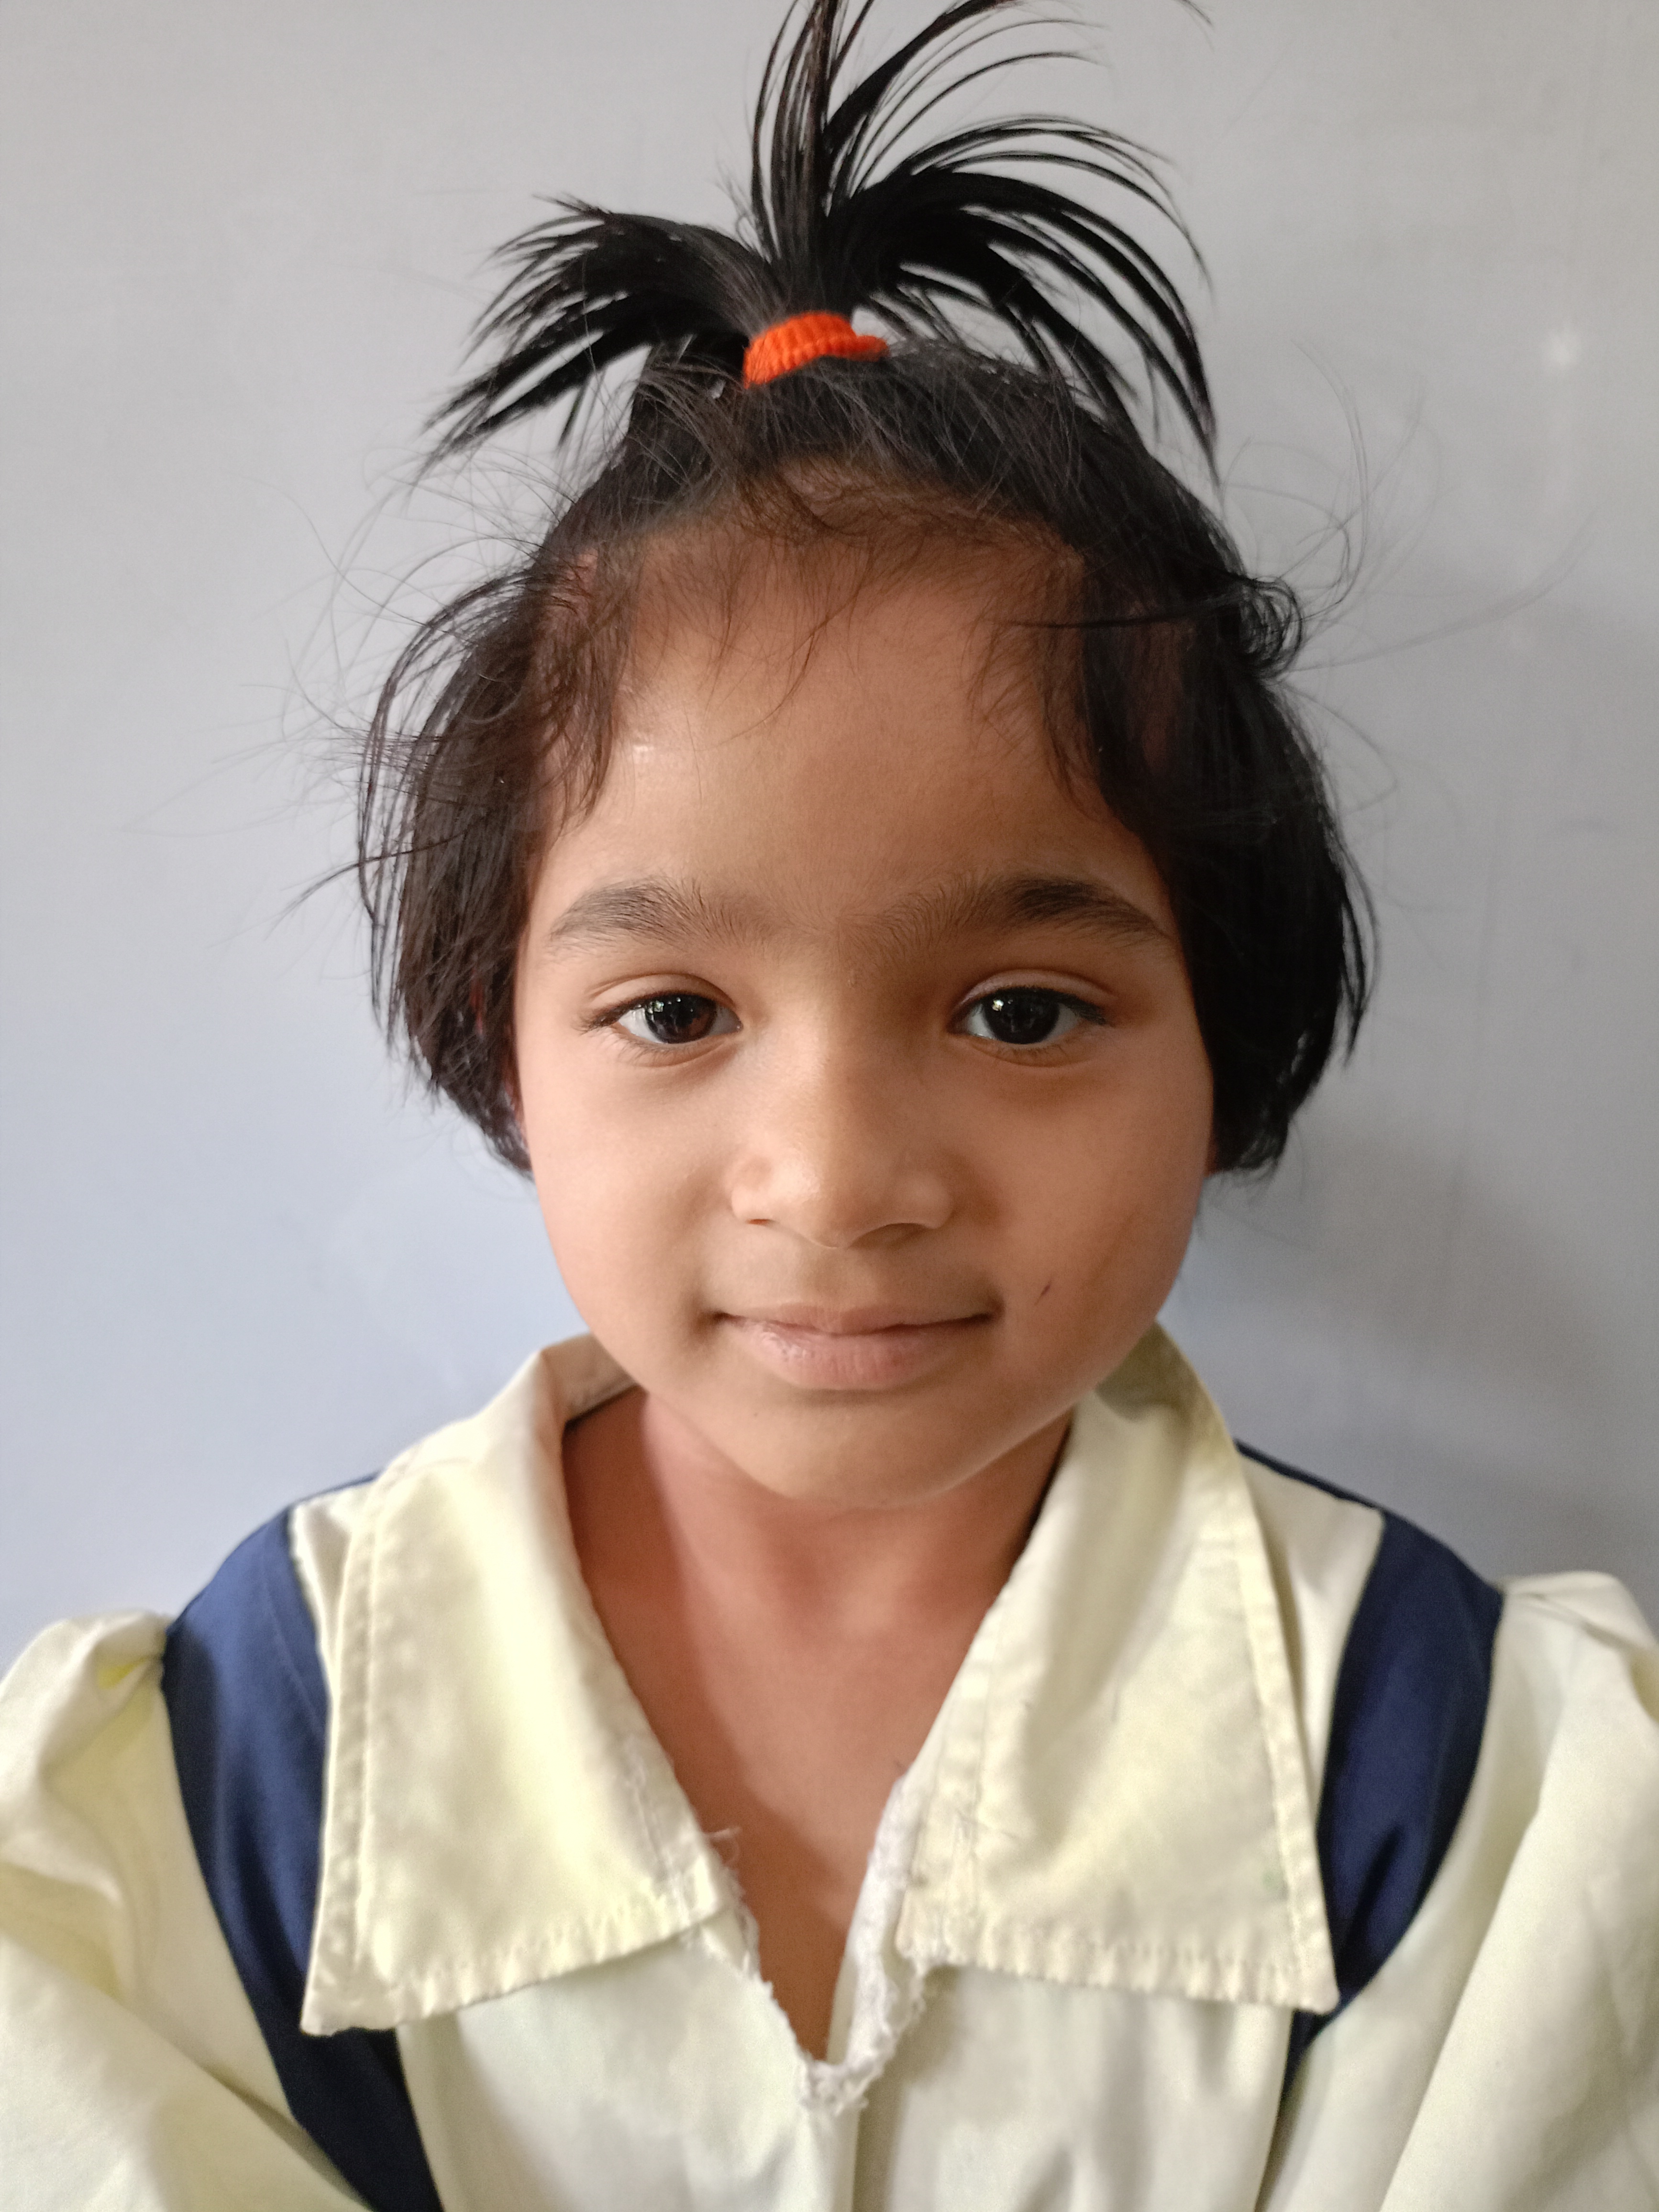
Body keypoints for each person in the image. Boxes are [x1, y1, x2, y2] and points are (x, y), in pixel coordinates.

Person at [2, 2, 1654, 2205]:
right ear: (500, 1034)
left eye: (1022, 1011)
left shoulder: (1460, 1787)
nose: (841, 1180)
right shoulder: (230, 1783)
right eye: (678, 1011)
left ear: (1228, 1035)